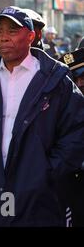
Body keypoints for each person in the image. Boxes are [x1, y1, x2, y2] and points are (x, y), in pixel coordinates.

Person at [0, 6, 84, 226]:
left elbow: (76, 133)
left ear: (30, 36)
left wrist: (46, 173)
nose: (4, 38)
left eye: (12, 31)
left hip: (39, 201)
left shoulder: (55, 80)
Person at [59, 48, 84, 226]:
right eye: (76, 78)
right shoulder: (63, 109)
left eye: (83, 76)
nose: (80, 82)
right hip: (70, 184)